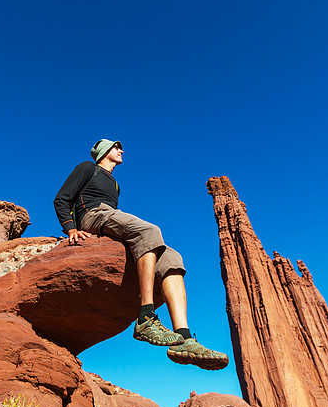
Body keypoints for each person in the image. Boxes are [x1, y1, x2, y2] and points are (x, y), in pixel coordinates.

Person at [54, 138, 228, 370]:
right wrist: (71, 229)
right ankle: (146, 317)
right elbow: (62, 198)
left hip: (110, 219)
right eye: (116, 147)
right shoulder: (88, 168)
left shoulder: (115, 184)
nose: (121, 150)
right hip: (93, 215)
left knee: (172, 258)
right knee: (150, 230)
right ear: (105, 152)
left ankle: (184, 338)